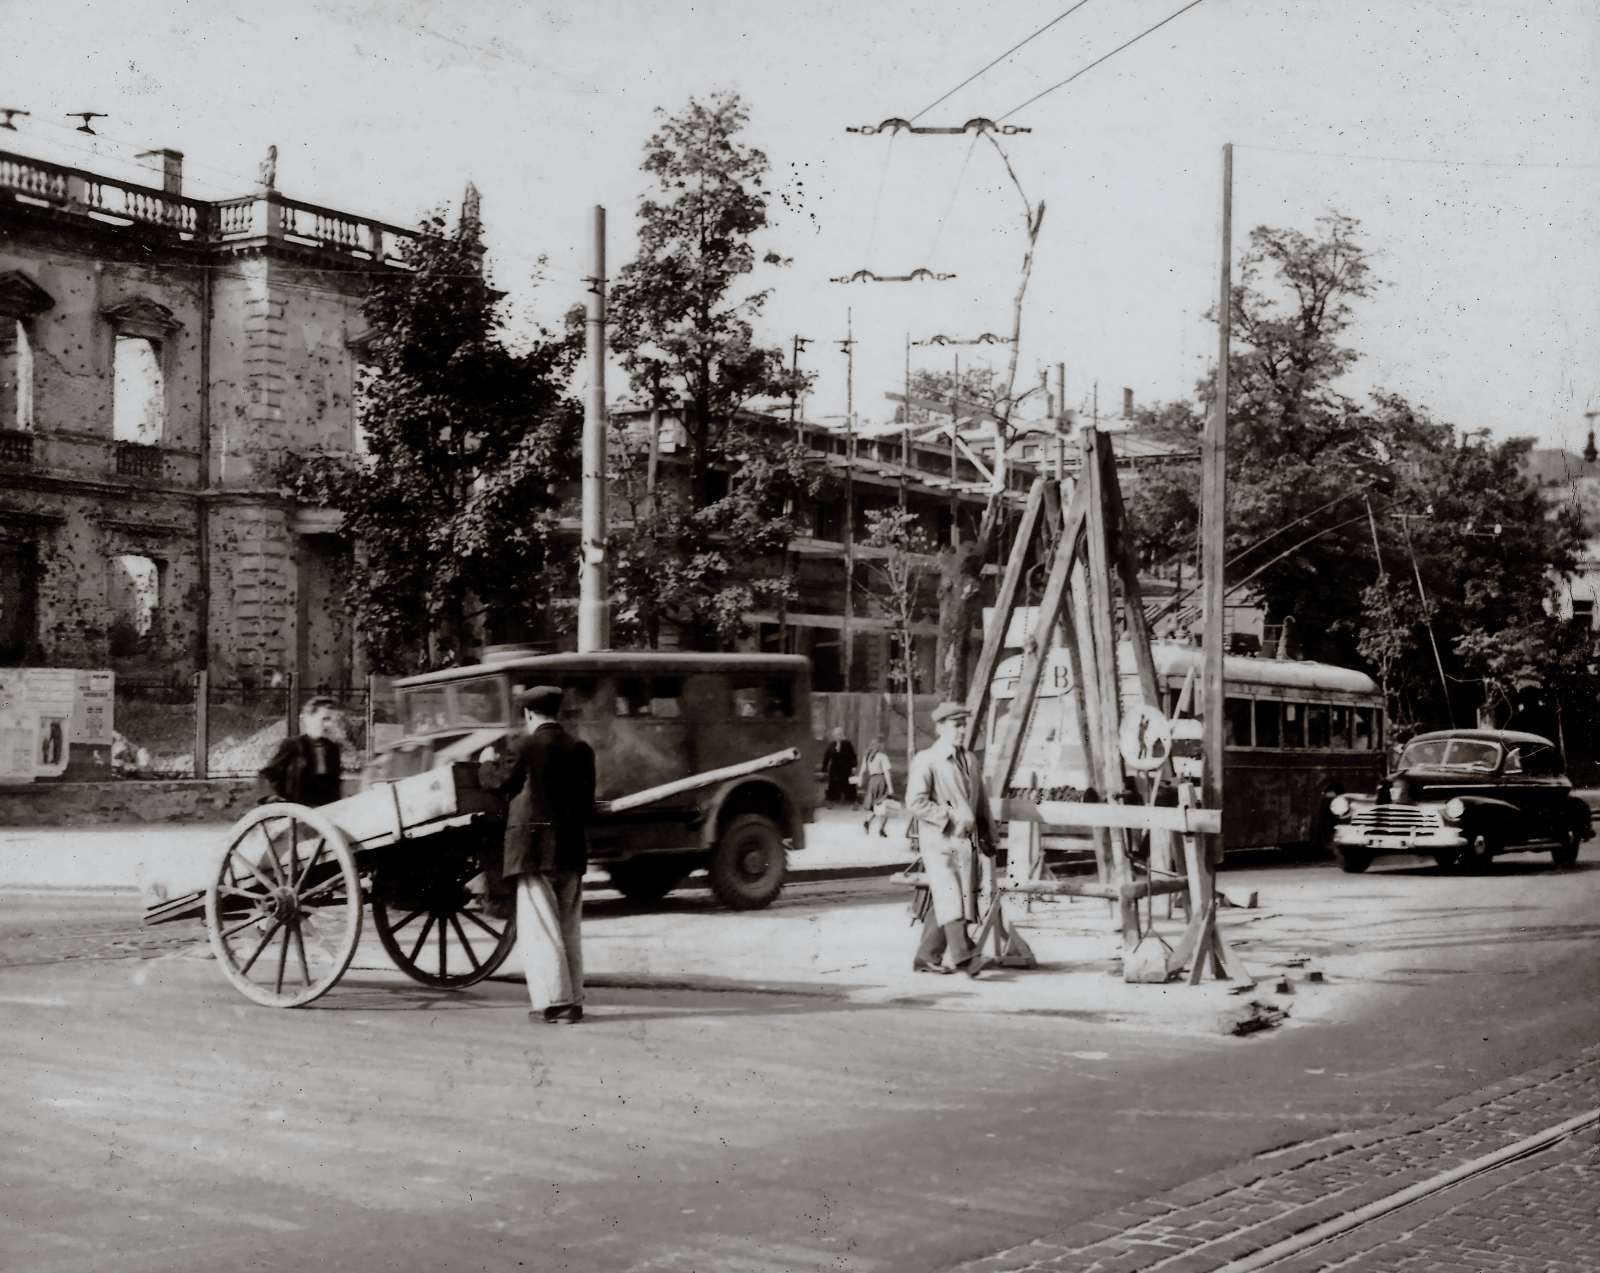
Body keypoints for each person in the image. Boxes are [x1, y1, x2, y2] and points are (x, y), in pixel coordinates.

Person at [479, 685, 595, 1026]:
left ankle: (555, 1003)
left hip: (531, 851)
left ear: (529, 714)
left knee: (541, 929)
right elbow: (588, 804)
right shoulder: (580, 749)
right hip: (571, 851)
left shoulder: (523, 748)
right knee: (569, 930)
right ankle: (573, 1001)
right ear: (556, 713)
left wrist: (486, 763)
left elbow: (496, 784)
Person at [905, 701, 994, 977]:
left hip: (965, 841)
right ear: (940, 728)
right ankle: (966, 957)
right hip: (939, 840)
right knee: (952, 894)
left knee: (949, 897)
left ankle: (926, 956)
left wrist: (988, 833)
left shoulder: (969, 759)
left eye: (964, 725)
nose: (961, 731)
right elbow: (915, 802)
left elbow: (980, 802)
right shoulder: (927, 759)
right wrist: (949, 816)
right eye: (956, 726)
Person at [259, 696, 343, 807]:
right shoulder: (293, 745)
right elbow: (267, 774)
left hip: (324, 811)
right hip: (296, 811)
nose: (329, 725)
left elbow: (334, 785)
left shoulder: (332, 749)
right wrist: (270, 797)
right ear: (308, 718)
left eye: (332, 720)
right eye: (324, 719)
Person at [859, 736, 895, 837]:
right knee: (885, 805)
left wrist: (860, 781)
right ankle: (882, 829)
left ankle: (868, 821)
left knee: (876, 805)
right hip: (881, 780)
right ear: (880, 745)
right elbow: (887, 773)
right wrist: (890, 787)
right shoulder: (882, 757)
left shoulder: (867, 757)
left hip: (872, 781)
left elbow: (862, 770)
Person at [822, 727, 857, 805]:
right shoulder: (831, 745)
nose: (836, 737)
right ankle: (832, 801)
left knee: (848, 785)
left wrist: (853, 766)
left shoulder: (847, 744)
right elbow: (827, 757)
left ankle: (851, 801)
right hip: (835, 769)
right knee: (833, 784)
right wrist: (824, 768)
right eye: (834, 735)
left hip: (845, 769)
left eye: (837, 735)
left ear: (841, 735)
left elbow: (853, 756)